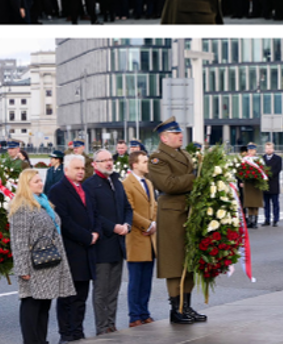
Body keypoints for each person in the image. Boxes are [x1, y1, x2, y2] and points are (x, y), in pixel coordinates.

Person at [145, 119, 205, 324]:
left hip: (188, 212)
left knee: (188, 263)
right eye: (175, 133)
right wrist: (195, 178)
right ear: (164, 137)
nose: (181, 136)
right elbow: (167, 184)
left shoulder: (183, 154)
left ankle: (186, 306)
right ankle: (176, 308)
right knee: (174, 264)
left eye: (180, 133)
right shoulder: (157, 158)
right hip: (172, 215)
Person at [10, 168, 73, 344]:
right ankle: (32, 341)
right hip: (33, 264)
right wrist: (22, 269)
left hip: (48, 262)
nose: (41, 183)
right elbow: (19, 241)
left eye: (40, 180)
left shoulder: (43, 203)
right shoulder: (22, 208)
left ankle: (41, 340)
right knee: (32, 305)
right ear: (26, 185)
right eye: (36, 181)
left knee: (44, 305)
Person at [45, 154, 96, 342]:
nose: (81, 171)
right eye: (77, 168)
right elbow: (64, 221)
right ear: (66, 170)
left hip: (87, 251)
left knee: (81, 297)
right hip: (70, 251)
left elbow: (94, 213)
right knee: (67, 298)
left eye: (82, 168)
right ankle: (66, 334)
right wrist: (87, 236)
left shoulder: (86, 189)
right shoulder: (57, 190)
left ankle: (77, 331)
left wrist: (96, 232)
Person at [84, 150, 129, 337]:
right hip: (102, 245)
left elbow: (127, 207)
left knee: (114, 289)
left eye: (110, 159)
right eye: (104, 161)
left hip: (118, 245)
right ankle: (102, 328)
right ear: (95, 164)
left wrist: (127, 224)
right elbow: (93, 215)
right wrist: (114, 227)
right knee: (101, 290)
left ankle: (111, 324)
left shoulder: (116, 183)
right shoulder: (90, 185)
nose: (109, 163)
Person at [120, 150, 157, 328]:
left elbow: (154, 205)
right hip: (136, 237)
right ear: (134, 165)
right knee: (135, 280)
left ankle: (144, 312)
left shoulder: (148, 183)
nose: (147, 164)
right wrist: (148, 225)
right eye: (144, 162)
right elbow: (130, 210)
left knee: (147, 280)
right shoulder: (127, 184)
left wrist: (155, 222)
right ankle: (134, 315)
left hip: (150, 238)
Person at [260, 142, 283, 228]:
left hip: (273, 183)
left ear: (273, 149)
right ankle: (267, 219)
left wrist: (269, 175)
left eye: (270, 148)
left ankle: (275, 219)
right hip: (265, 184)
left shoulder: (278, 159)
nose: (268, 150)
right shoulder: (262, 159)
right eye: (267, 148)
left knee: (275, 203)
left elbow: (278, 169)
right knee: (266, 204)